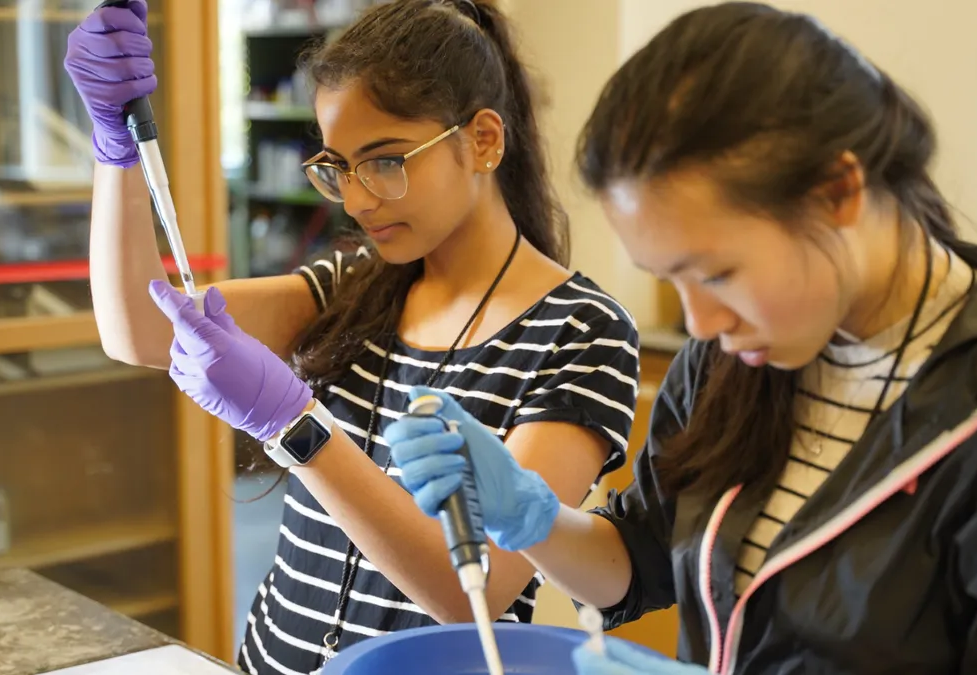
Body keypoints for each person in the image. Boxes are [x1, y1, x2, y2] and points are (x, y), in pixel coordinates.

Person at [384, 2, 977, 674]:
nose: (700, 322)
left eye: (719, 271)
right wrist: (530, 514)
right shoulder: (738, 355)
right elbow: (637, 564)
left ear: (839, 192)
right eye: (670, 278)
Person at [63, 0, 641, 672]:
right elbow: (136, 327)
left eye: (385, 161)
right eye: (338, 166)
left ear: (483, 139)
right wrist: (116, 146)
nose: (358, 200)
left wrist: (297, 427)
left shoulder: (581, 332)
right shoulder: (355, 284)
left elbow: (469, 587)